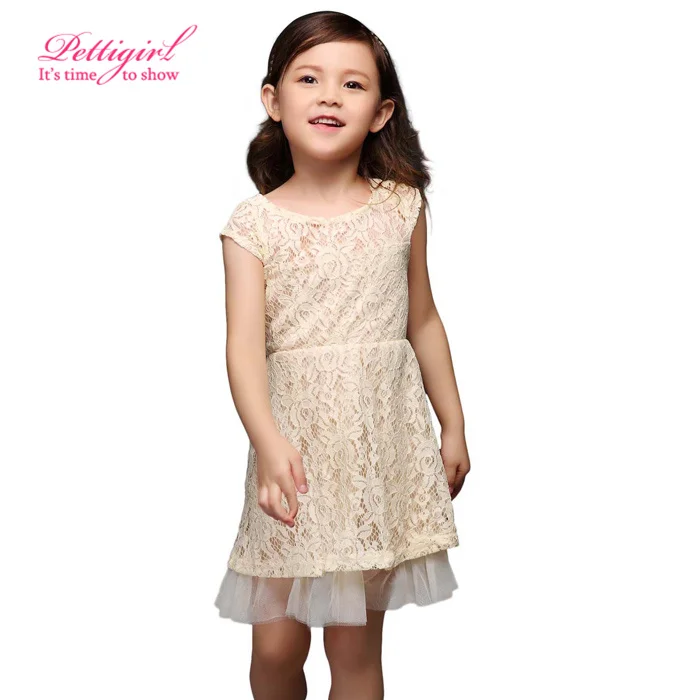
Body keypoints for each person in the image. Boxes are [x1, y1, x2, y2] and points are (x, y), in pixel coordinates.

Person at [214, 10, 471, 700]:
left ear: (381, 112)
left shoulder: (401, 208)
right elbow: (243, 351)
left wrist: (453, 423)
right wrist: (268, 442)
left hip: (373, 453)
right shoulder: (252, 225)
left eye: (352, 84)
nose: (330, 95)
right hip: (292, 453)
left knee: (354, 650)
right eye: (309, 78)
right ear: (273, 100)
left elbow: (423, 319)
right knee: (275, 647)